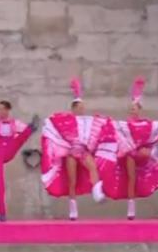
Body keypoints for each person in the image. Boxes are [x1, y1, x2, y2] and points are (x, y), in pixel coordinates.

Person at [101, 77, 158, 220]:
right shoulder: (125, 125)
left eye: (135, 107)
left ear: (139, 109)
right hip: (128, 155)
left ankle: (155, 155)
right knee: (130, 173)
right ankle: (131, 206)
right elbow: (115, 130)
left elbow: (157, 131)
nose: (132, 110)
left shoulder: (145, 123)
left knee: (139, 156)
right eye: (131, 107)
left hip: (142, 156)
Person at [40, 78, 110, 221]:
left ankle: (97, 191)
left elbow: (98, 127)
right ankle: (73, 207)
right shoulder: (66, 120)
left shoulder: (87, 121)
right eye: (79, 107)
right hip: (71, 152)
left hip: (83, 151)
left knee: (93, 167)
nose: (82, 109)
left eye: (83, 107)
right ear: (74, 108)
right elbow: (54, 123)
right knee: (72, 181)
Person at [0, 100, 35, 221]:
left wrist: (27, 130)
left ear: (8, 110)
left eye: (3, 109)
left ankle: (32, 127)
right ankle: (2, 212)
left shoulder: (15, 123)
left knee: (21, 136)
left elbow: (22, 132)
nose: (0, 112)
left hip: (9, 149)